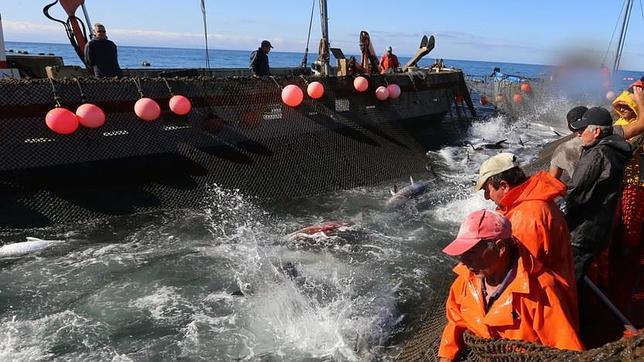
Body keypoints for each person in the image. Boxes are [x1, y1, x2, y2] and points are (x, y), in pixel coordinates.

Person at [438, 209, 583, 361]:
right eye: (462, 254)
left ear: (500, 248)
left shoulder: (541, 290)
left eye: (471, 253)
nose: (464, 261)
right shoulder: (464, 282)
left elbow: (566, 351)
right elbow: (455, 322)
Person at [474, 153, 578, 320]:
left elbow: (522, 272)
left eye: (488, 190)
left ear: (504, 185)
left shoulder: (526, 216)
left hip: (546, 308)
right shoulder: (532, 200)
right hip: (556, 294)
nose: (487, 197)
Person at [565, 107, 633, 282]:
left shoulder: (597, 155)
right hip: (601, 226)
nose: (579, 135)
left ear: (595, 131)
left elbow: (575, 192)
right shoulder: (615, 148)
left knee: (572, 278)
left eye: (583, 129)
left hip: (583, 231)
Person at [549, 106, 588, 180]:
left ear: (570, 127)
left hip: (585, 190)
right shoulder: (610, 136)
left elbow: (552, 180)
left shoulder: (563, 149)